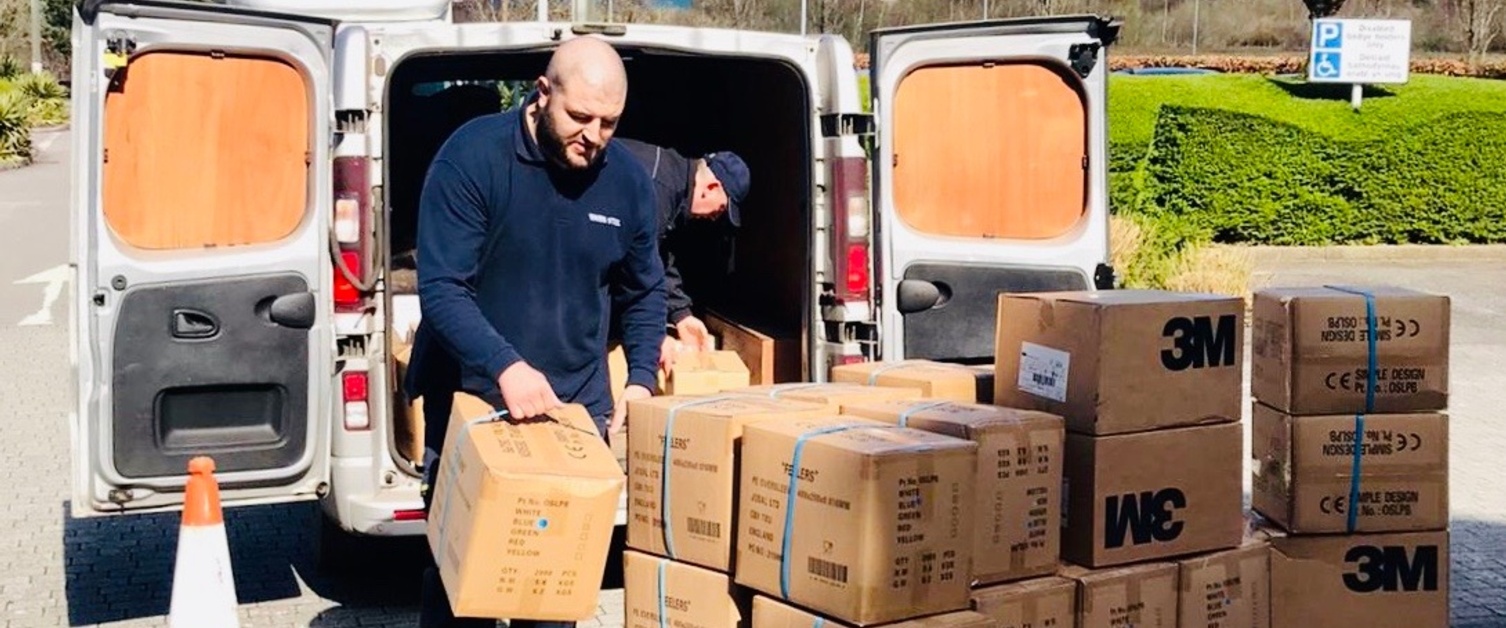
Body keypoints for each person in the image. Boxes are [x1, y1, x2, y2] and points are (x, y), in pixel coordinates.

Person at [404, 36, 666, 628]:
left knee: (550, 598)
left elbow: (644, 290)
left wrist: (642, 379)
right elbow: (442, 287)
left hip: (572, 414)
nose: (594, 136)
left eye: (608, 123)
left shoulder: (625, 181)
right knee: (461, 588)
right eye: (579, 117)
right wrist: (506, 364)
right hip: (475, 404)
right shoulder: (472, 157)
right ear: (542, 94)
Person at [611, 137, 750, 370]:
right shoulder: (658, 189)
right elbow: (631, 273)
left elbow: (656, 255)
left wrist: (681, 314)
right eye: (722, 208)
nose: (716, 216)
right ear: (711, 188)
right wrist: (653, 336)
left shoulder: (673, 181)